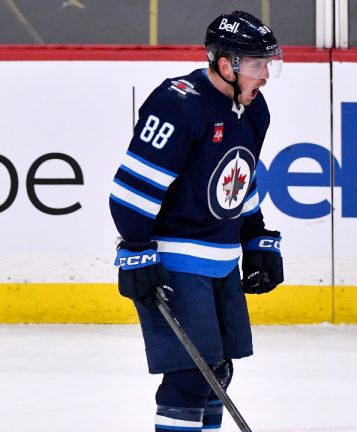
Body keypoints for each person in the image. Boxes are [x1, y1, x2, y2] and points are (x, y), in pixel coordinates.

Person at [109, 10, 285, 432]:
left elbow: (239, 176)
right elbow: (133, 187)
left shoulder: (254, 110)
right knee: (190, 377)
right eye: (258, 65)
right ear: (227, 65)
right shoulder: (177, 103)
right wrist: (135, 248)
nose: (265, 76)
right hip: (176, 260)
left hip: (222, 258)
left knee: (217, 374)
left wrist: (255, 234)